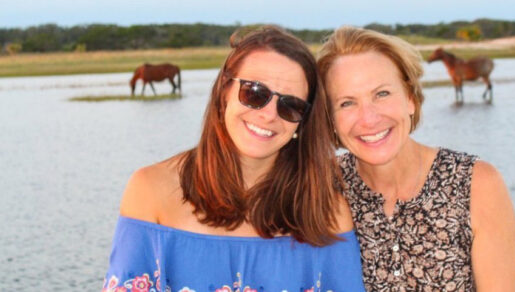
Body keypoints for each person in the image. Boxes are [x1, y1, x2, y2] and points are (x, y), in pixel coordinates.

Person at [102, 26, 365, 292]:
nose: (268, 115)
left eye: (290, 105)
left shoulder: (325, 207)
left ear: (303, 121)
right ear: (224, 91)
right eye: (254, 93)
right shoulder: (150, 191)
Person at [317, 26, 515, 291]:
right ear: (330, 118)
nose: (369, 119)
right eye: (346, 103)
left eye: (382, 94)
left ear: (410, 98)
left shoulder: (476, 183)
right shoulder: (320, 186)